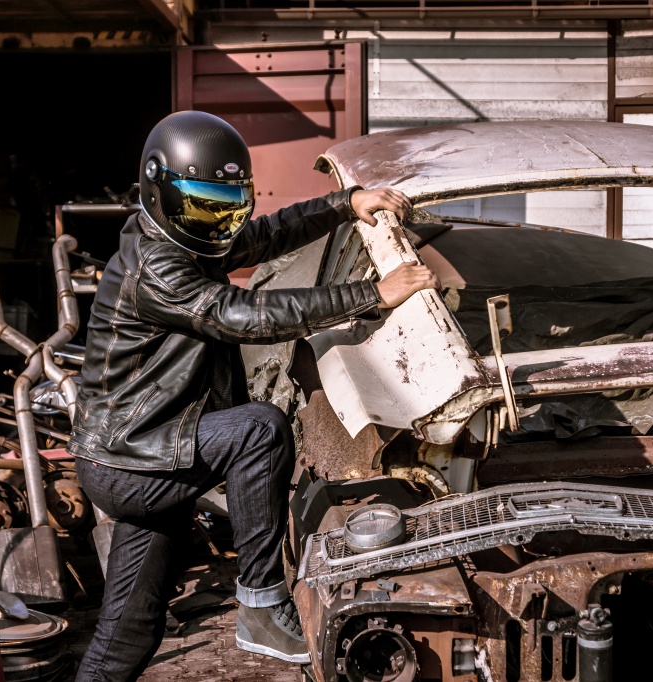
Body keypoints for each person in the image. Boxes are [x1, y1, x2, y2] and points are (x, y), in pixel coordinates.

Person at [68, 110, 439, 681]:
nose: (216, 223)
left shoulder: (186, 236)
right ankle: (262, 605)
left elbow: (265, 236)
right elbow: (240, 314)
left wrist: (345, 204)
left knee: (128, 634)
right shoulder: (156, 266)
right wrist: (372, 294)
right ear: (158, 189)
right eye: (202, 206)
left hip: (149, 449)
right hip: (132, 459)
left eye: (227, 207)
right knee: (259, 430)